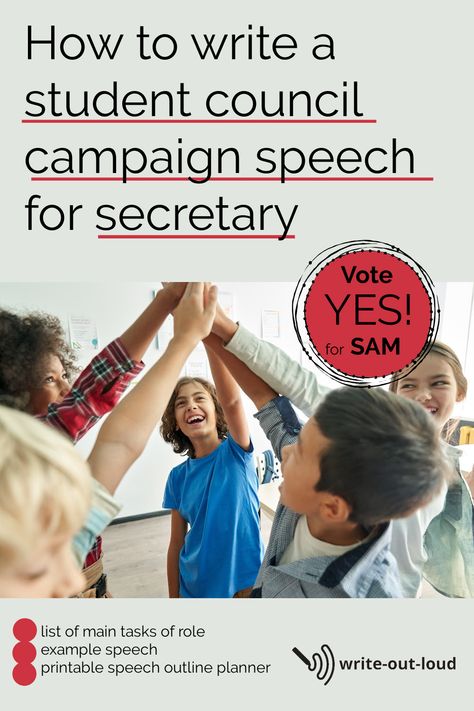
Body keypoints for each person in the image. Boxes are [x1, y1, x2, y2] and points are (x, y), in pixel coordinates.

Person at [212, 310, 474, 597]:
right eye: (409, 384)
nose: (423, 394)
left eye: (439, 382)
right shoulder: (328, 462)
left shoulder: (349, 468)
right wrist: (213, 327)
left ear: (460, 391)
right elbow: (289, 389)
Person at [0, 283, 217, 598]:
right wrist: (183, 337)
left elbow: (98, 389)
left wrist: (169, 301)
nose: (66, 389)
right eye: (49, 379)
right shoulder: (25, 449)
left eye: (64, 375)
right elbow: (100, 404)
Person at [160, 332, 264, 598]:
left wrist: (206, 333)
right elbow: (176, 545)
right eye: (181, 404)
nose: (191, 406)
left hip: (246, 582)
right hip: (196, 586)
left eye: (199, 398)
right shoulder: (177, 477)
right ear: (176, 422)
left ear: (217, 410)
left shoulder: (237, 452)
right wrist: (174, 598)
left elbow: (233, 401)